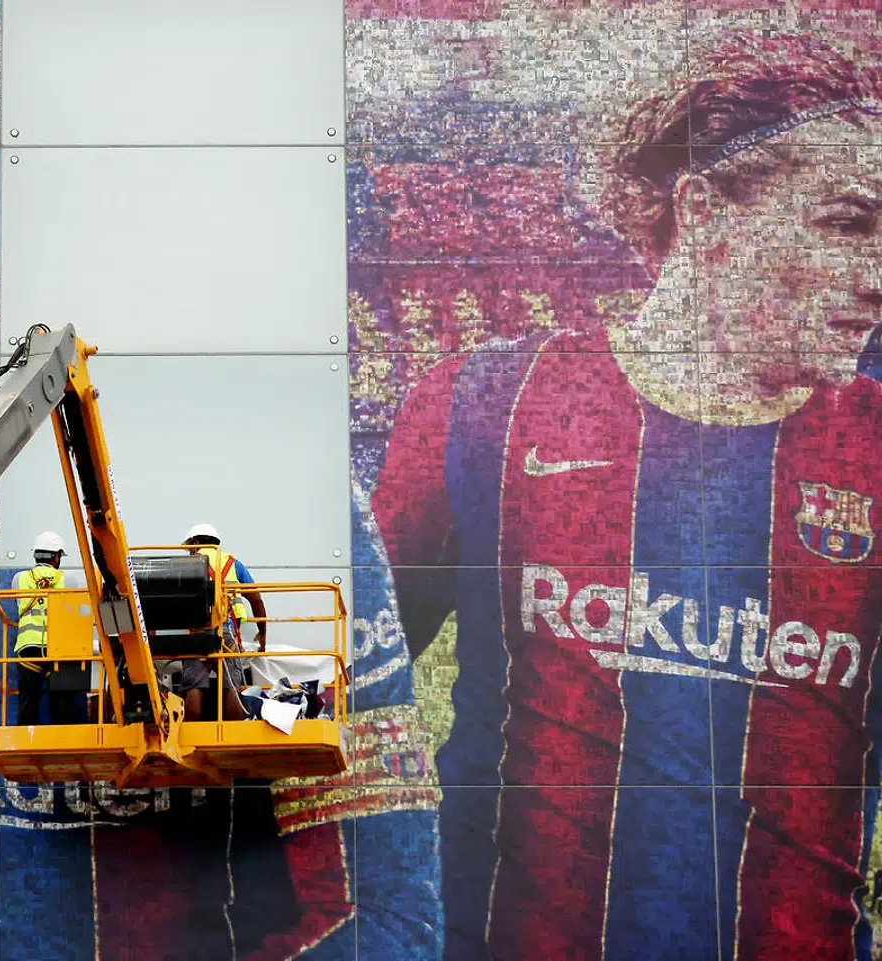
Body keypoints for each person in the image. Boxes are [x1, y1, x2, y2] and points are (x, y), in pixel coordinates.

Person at [371, 32, 882, 961]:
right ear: (704, 211)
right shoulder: (483, 404)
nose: (879, 276)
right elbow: (338, 698)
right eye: (849, 225)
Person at [175, 522, 268, 721]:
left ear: (196, 542)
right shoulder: (233, 564)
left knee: (194, 685)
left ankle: (192, 735)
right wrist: (262, 632)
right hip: (228, 633)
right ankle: (233, 736)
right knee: (231, 687)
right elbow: (256, 600)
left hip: (196, 634)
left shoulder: (185, 565)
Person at [10, 530, 81, 724]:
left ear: (35, 554)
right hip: (57, 649)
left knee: (28, 702)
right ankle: (61, 739)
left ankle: (26, 740)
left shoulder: (19, 579)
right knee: (62, 703)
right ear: (57, 556)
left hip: (28, 650)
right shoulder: (69, 580)